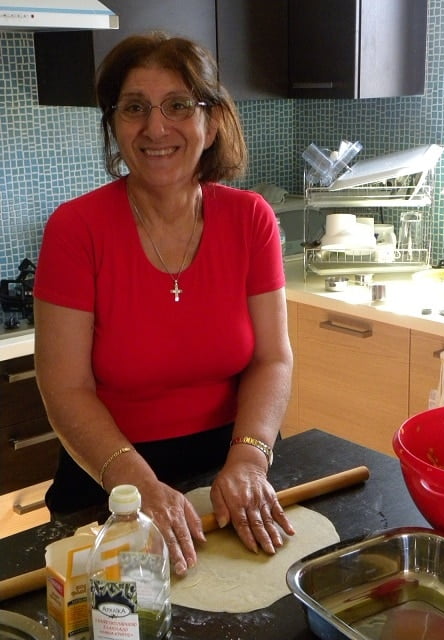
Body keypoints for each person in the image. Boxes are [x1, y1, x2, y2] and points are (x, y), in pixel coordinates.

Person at [33, 32, 294, 576]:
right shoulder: (76, 230)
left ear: (211, 121)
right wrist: (137, 485)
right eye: (134, 108)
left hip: (231, 472)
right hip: (109, 479)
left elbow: (272, 358)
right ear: (114, 124)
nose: (156, 128)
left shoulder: (251, 220)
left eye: (178, 105)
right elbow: (64, 388)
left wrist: (249, 459)